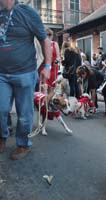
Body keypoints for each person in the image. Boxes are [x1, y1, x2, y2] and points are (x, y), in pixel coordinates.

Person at [0, 0, 51, 160]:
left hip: (25, 73)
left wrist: (47, 66)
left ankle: (23, 144)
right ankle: (2, 136)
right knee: (1, 110)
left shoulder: (27, 12)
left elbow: (45, 40)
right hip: (1, 74)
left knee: (24, 114)